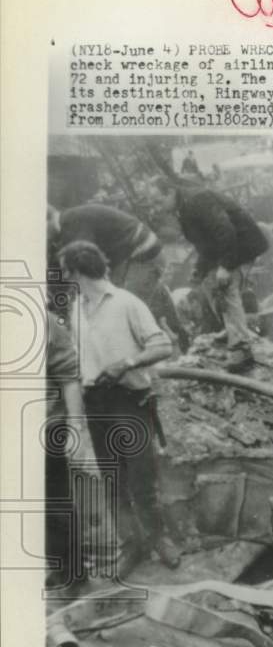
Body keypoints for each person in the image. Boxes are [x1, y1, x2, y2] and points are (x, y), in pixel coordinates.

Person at [58, 240, 181, 573]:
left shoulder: (127, 303)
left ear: (78, 271)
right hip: (95, 402)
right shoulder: (75, 308)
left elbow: (162, 345)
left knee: (142, 478)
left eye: (66, 271)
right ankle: (132, 544)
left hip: (128, 400)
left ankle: (158, 539)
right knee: (112, 479)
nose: (65, 278)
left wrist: (126, 363)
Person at [153, 179, 269, 373]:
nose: (158, 208)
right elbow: (205, 242)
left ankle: (242, 348)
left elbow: (225, 230)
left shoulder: (198, 200)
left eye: (158, 201)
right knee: (208, 283)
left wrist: (226, 265)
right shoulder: (182, 207)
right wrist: (200, 268)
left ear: (170, 192)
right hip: (226, 247)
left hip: (242, 244)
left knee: (226, 286)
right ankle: (230, 328)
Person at [48, 203, 188, 353]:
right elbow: (58, 279)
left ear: (47, 220)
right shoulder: (57, 236)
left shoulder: (72, 223)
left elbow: (84, 266)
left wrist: (66, 312)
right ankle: (167, 324)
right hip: (124, 260)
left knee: (120, 315)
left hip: (142, 254)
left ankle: (143, 357)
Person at [44, 309, 96, 592]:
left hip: (45, 426)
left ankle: (72, 574)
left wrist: (75, 428)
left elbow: (69, 377)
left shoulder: (45, 322)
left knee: (54, 504)